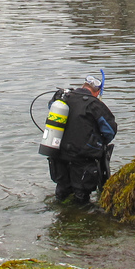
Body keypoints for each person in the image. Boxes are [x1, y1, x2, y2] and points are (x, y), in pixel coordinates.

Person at [48, 74, 117, 204]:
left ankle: (61, 214)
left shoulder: (63, 98)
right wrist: (99, 142)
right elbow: (110, 130)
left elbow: (51, 110)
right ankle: (80, 214)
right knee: (81, 197)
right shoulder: (94, 104)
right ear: (97, 92)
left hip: (58, 154)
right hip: (82, 158)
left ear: (83, 86)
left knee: (62, 191)